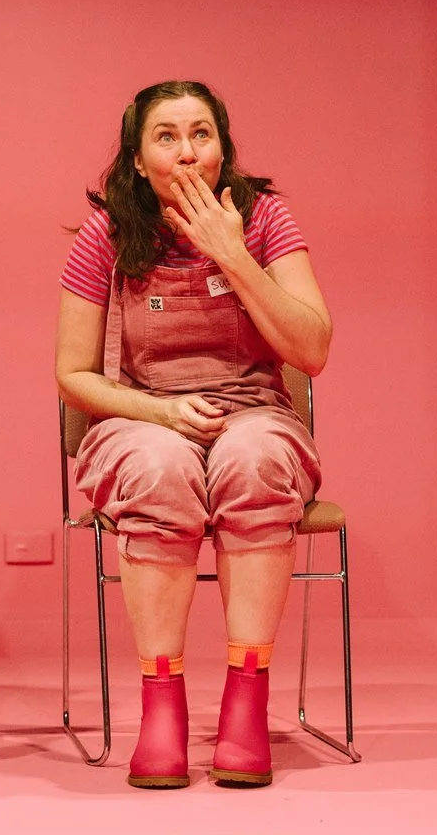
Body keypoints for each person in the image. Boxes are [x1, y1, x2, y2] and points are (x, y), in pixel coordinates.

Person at [54, 80, 331, 789]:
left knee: (256, 458)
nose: (186, 151)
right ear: (139, 159)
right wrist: (163, 414)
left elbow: (314, 348)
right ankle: (162, 707)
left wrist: (231, 253)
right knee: (160, 470)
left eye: (201, 134)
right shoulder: (107, 234)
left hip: (252, 411)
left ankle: (246, 701)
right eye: (167, 136)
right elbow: (73, 375)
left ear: (222, 147)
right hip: (143, 415)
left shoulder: (266, 217)